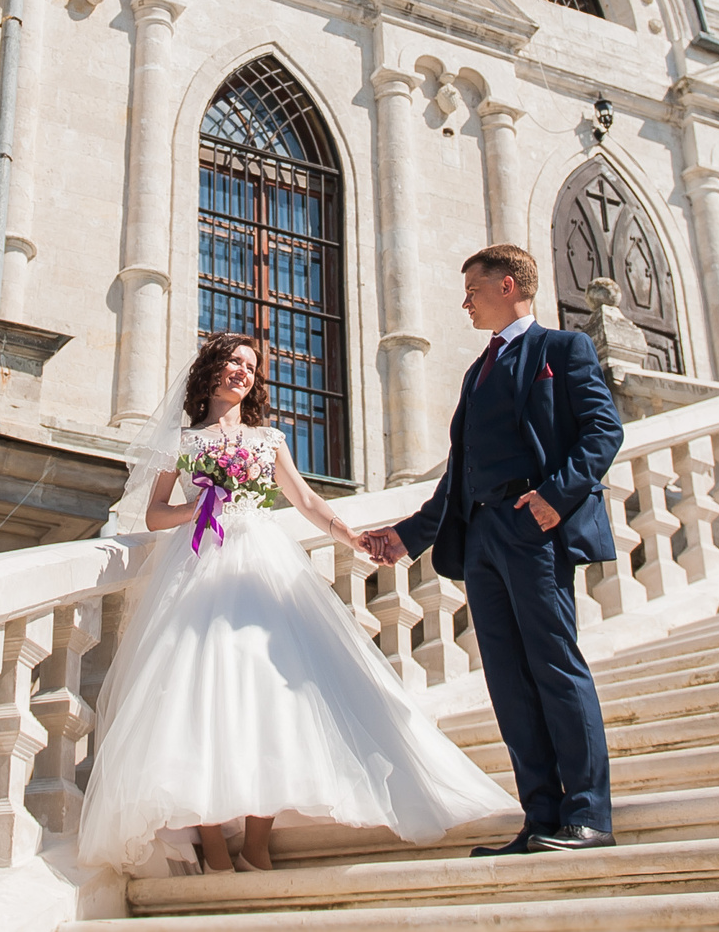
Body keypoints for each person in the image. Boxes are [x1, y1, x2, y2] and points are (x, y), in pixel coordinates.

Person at [78, 331, 515, 875]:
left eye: (251, 366)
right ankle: (213, 845)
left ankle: (256, 844)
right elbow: (154, 515)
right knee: (192, 698)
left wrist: (348, 535)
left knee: (271, 694)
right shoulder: (182, 442)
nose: (243, 371)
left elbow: (305, 499)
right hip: (197, 570)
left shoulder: (269, 440)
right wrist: (202, 507)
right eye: (234, 361)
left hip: (263, 567)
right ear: (211, 368)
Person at [360, 244, 624, 856]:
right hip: (480, 539)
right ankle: (540, 818)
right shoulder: (476, 372)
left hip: (533, 529)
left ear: (508, 286)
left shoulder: (562, 350)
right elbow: (457, 478)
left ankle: (589, 816)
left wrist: (556, 497)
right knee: (507, 681)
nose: (465, 302)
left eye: (472, 291)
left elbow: (603, 429)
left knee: (555, 668)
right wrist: (407, 535)